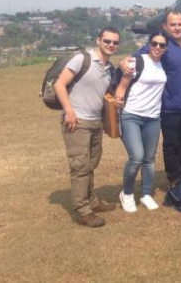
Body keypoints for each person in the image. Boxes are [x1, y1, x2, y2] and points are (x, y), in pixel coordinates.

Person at [124, 11, 181, 189]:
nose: (177, 28)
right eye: (172, 24)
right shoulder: (162, 44)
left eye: (180, 24)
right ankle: (174, 177)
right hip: (170, 106)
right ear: (165, 27)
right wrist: (126, 60)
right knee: (172, 144)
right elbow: (139, 56)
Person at [54, 27, 120, 227]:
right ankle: (82, 210)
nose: (111, 45)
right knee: (80, 166)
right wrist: (69, 111)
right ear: (98, 39)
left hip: (95, 122)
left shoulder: (109, 68)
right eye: (107, 40)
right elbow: (59, 84)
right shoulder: (82, 59)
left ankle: (91, 200)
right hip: (77, 121)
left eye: (115, 42)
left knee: (91, 163)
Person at [115, 31, 168, 213]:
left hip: (153, 118)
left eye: (162, 45)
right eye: (155, 43)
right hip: (131, 115)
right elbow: (122, 86)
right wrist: (117, 107)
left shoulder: (163, 64)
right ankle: (127, 193)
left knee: (149, 159)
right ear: (149, 44)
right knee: (136, 157)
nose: (158, 48)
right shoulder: (137, 61)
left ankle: (146, 193)